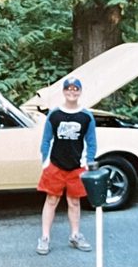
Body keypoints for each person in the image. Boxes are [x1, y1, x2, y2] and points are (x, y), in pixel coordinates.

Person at [35, 77, 97, 255]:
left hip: (76, 167)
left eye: (75, 89)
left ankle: (75, 235)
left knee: (74, 202)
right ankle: (45, 237)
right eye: (68, 89)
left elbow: (91, 142)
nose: (72, 92)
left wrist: (88, 161)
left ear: (80, 91)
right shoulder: (54, 114)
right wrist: (45, 161)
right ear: (63, 91)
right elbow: (46, 140)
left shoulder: (86, 116)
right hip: (55, 165)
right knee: (52, 200)